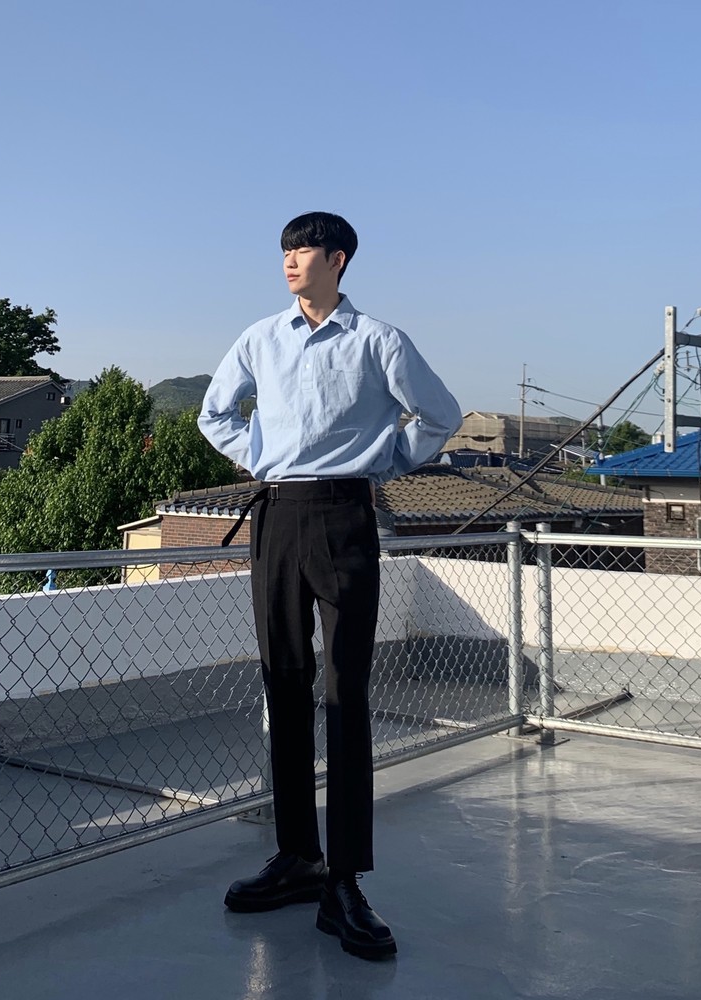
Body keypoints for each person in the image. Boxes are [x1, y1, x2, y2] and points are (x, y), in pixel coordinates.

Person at [198, 211, 461, 960]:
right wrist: (261, 456)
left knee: (345, 693)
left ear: (337, 259)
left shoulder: (378, 340)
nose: (289, 260)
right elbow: (214, 412)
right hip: (276, 514)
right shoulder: (260, 338)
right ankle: (296, 856)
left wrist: (382, 460)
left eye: (303, 249)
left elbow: (439, 415)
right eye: (284, 249)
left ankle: (344, 880)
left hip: (345, 515)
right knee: (283, 682)